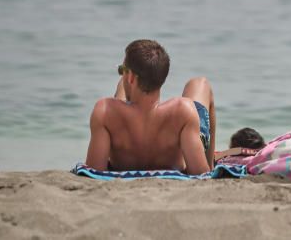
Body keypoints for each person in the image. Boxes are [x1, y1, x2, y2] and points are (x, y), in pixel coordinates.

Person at [84, 39, 217, 175]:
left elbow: (94, 171)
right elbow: (200, 173)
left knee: (121, 88)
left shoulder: (104, 111)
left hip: (123, 149)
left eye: (122, 70)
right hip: (176, 147)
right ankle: (211, 163)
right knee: (200, 83)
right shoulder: (183, 110)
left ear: (130, 77)